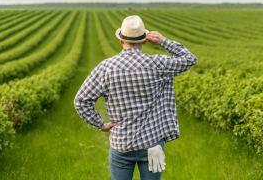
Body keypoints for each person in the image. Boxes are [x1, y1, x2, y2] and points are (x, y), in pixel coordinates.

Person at [74, 15, 197, 180]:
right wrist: (163, 41)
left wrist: (101, 125)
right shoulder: (157, 64)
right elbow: (190, 59)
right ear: (145, 41)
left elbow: (81, 101)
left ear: (121, 41)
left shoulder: (105, 68)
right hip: (152, 143)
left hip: (121, 144)